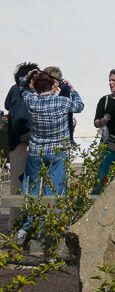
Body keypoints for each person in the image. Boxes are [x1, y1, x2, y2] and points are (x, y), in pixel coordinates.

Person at [22, 68, 84, 195]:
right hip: (58, 149)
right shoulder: (62, 102)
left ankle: (31, 214)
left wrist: (28, 77)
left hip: (36, 149)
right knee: (55, 190)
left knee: (32, 189)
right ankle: (53, 213)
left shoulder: (31, 101)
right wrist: (73, 90)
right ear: (53, 85)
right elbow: (79, 106)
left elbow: (22, 88)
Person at [5, 62, 38, 194]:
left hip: (19, 145)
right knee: (20, 190)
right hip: (22, 145)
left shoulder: (17, 91)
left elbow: (7, 105)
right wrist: (28, 136)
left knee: (20, 189)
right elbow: (19, 120)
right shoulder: (20, 94)